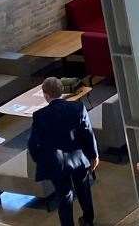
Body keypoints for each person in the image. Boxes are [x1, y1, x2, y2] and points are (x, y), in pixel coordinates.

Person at [27, 77, 97, 226]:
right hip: (79, 159)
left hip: (56, 164)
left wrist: (41, 160)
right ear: (62, 91)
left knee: (64, 196)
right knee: (83, 190)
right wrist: (93, 155)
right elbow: (87, 134)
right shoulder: (78, 108)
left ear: (45, 95)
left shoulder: (39, 116)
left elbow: (33, 144)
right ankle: (88, 220)